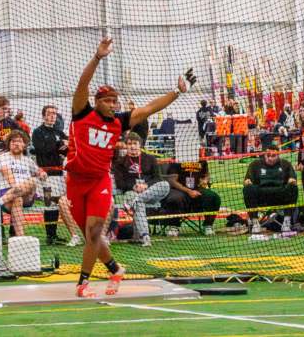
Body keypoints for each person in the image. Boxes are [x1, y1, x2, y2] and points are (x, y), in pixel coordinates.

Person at [66, 37, 196, 297]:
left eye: (116, 102)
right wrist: (97, 57)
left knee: (94, 232)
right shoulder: (82, 113)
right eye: (109, 101)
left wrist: (177, 92)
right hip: (75, 181)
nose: (114, 105)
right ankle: (115, 269)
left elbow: (149, 109)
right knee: (92, 237)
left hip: (100, 182)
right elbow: (82, 84)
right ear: (98, 101)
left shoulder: (120, 122)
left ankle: (82, 283)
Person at [31, 105, 81, 246]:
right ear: (44, 115)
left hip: (59, 174)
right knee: (49, 203)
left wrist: (66, 145)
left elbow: (68, 149)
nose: (53, 116)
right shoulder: (38, 132)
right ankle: (50, 235)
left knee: (59, 203)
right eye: (50, 113)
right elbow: (42, 149)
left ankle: (55, 235)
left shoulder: (59, 131)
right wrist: (59, 145)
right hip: (46, 174)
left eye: (54, 113)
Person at [112, 132, 170, 245]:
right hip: (131, 192)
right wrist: (133, 186)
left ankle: (135, 201)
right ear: (126, 145)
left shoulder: (150, 158)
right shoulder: (120, 162)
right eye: (129, 144)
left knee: (165, 185)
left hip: (151, 193)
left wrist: (146, 185)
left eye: (135, 143)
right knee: (139, 203)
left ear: (140, 145)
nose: (132, 146)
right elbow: (120, 183)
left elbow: (157, 178)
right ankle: (145, 237)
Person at [0, 130, 48, 237]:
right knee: (17, 198)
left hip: (26, 197)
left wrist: (42, 174)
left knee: (33, 181)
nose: (16, 144)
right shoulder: (3, 157)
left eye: (19, 141)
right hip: (8, 194)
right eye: (13, 141)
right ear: (9, 144)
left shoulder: (28, 160)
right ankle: (21, 238)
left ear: (24, 144)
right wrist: (16, 190)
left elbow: (39, 171)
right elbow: (7, 173)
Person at [243, 145, 298, 234]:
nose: (270, 158)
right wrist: (247, 182)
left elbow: (293, 179)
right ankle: (255, 222)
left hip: (280, 196)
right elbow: (247, 181)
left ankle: (287, 222)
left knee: (293, 188)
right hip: (261, 196)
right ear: (264, 154)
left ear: (278, 155)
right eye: (268, 155)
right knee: (247, 189)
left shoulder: (286, 164)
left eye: (273, 156)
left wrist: (292, 180)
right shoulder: (255, 165)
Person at [161, 157, 221, 236]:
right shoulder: (177, 159)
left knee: (213, 197)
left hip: (197, 189)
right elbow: (172, 181)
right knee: (175, 198)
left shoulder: (201, 159)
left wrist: (205, 180)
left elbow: (206, 174)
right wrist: (189, 191)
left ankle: (208, 225)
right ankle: (174, 226)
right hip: (179, 190)